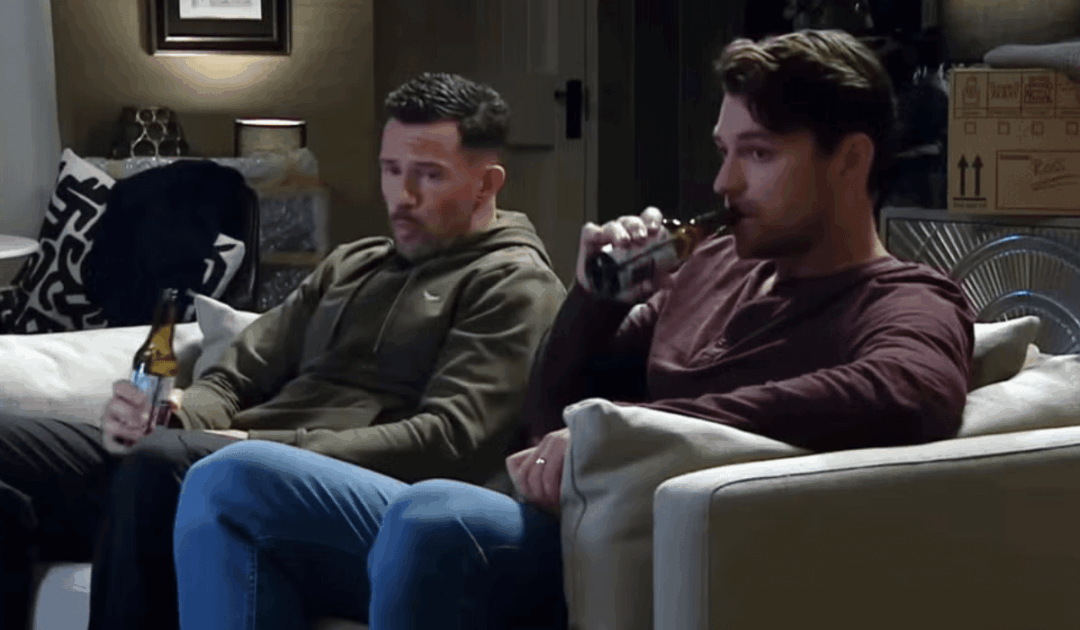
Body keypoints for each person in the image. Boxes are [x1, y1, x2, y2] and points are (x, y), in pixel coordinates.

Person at [172, 29, 976, 629]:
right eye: (724, 151)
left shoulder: (904, 299)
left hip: (639, 552)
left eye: (758, 155)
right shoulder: (715, 267)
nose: (724, 182)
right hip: (562, 523)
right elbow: (546, 411)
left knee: (434, 515)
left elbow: (908, 392)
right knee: (226, 479)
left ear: (850, 160)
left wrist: (633, 433)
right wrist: (595, 297)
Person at [0, 72, 566, 630]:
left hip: (334, 492)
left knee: (163, 463)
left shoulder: (513, 284)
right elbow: (237, 373)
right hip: (220, 456)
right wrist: (176, 413)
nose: (403, 196)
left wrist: (251, 444)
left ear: (486, 185)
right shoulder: (354, 264)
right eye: (392, 170)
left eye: (430, 175)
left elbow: (448, 441)